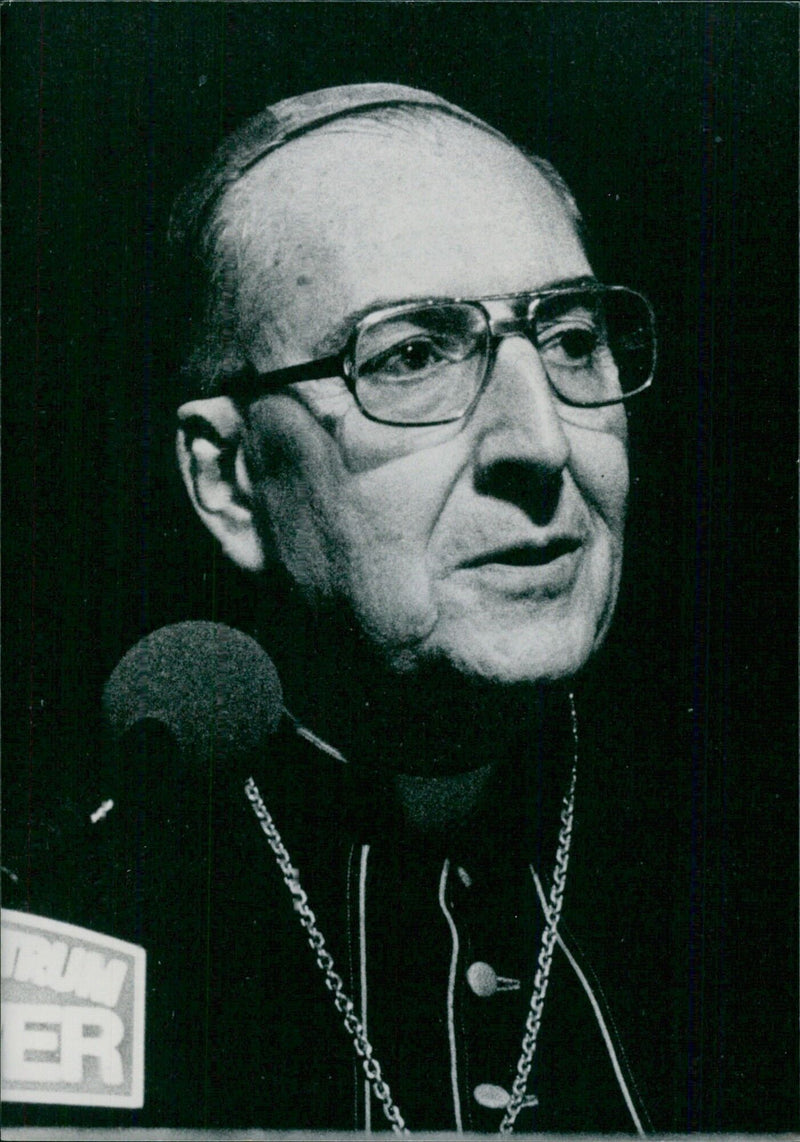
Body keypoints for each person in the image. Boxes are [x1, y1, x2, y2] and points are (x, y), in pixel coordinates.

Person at [5, 84, 661, 1134]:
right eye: (409, 355)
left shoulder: (753, 869)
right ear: (226, 482)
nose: (538, 442)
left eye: (573, 336)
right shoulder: (63, 938)